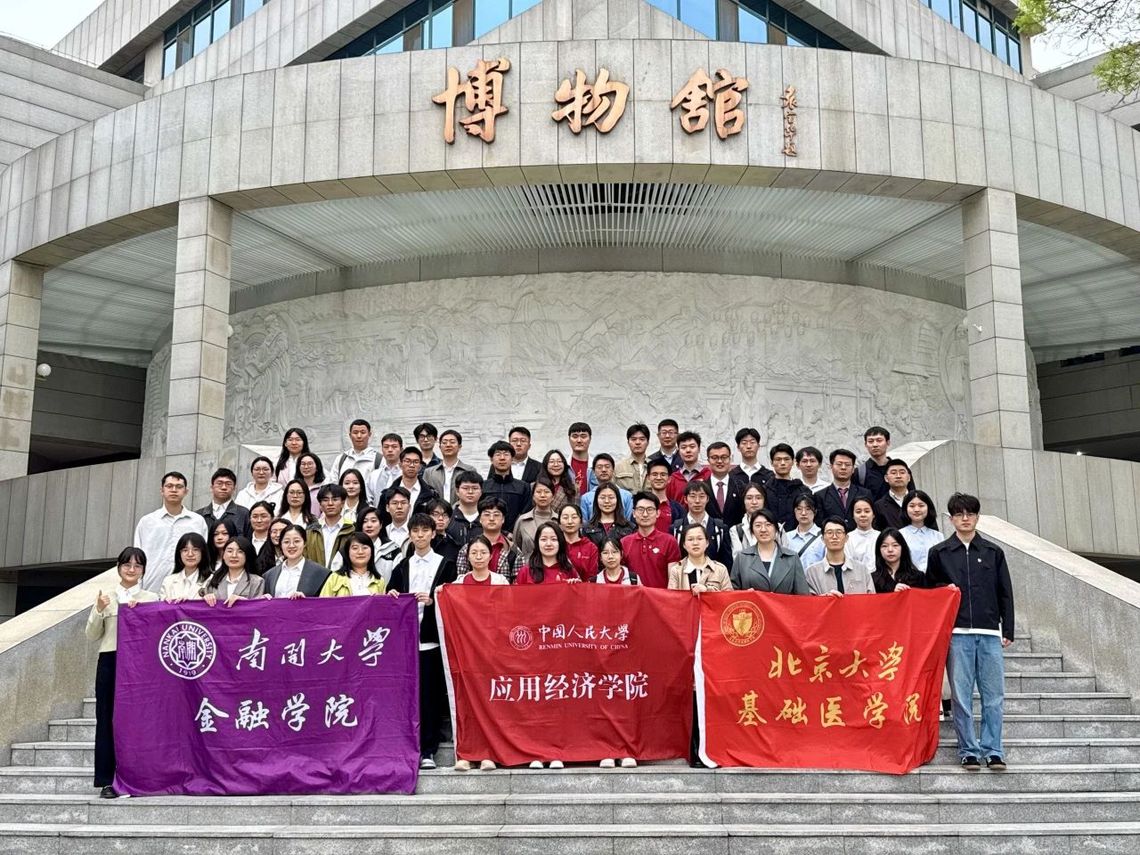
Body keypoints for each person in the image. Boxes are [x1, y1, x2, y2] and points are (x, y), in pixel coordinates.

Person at [927, 493, 1015, 771]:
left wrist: (1007, 628)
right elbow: (931, 591)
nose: (965, 519)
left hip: (989, 632)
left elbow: (1005, 592)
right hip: (957, 632)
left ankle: (993, 750)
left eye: (970, 514)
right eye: (959, 514)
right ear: (951, 519)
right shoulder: (939, 553)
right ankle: (968, 750)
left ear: (977, 517)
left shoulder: (993, 552)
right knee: (961, 697)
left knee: (993, 696)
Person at [86, 547, 159, 799]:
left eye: (137, 565)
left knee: (139, 720)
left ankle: (139, 776)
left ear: (143, 571)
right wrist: (98, 610)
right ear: (119, 567)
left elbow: (156, 634)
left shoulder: (151, 598)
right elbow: (91, 635)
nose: (131, 569)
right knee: (106, 720)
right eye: (127, 564)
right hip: (111, 660)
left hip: (140, 665)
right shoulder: (106, 597)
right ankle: (106, 780)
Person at [388, 513, 457, 770]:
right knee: (406, 698)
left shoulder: (446, 565)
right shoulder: (402, 566)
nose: (420, 535)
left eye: (424, 530)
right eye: (415, 531)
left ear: (433, 533)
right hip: (405, 644)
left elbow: (453, 600)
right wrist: (392, 595)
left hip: (432, 641)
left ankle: (428, 750)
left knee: (430, 698)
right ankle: (407, 747)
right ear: (409, 535)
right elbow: (390, 596)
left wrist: (432, 601)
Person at [133, 471, 208, 593]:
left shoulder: (197, 521)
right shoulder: (147, 522)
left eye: (179, 487)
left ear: (186, 491)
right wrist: (136, 590)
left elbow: (204, 556)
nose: (174, 490)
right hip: (150, 588)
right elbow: (137, 558)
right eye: (169, 486)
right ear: (162, 490)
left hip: (188, 591)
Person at [730, 509, 810, 594]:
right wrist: (745, 595)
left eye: (768, 525)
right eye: (758, 525)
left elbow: (802, 595)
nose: (763, 529)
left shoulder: (792, 558)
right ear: (752, 531)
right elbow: (733, 593)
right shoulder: (742, 558)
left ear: (776, 528)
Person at [620, 492, 681, 589]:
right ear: (634, 513)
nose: (645, 514)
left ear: (658, 513)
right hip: (633, 596)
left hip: (660, 597)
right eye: (640, 510)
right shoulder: (624, 542)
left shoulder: (669, 541)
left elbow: (673, 581)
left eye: (650, 510)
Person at [455, 497, 523, 581]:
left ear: (503, 519)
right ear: (480, 519)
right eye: (487, 514)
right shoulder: (467, 549)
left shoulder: (513, 551)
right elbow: (461, 581)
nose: (491, 519)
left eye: (496, 515)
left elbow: (517, 583)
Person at [804, 518, 877, 596]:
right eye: (829, 532)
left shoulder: (862, 569)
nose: (834, 537)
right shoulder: (812, 572)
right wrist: (823, 599)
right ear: (822, 539)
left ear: (846, 538)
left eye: (839, 532)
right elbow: (808, 601)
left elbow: (872, 599)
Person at [671, 481, 732, 567]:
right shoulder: (676, 529)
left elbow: (726, 561)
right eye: (693, 496)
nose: (697, 501)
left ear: (707, 499)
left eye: (702, 496)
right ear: (685, 499)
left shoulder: (719, 528)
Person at [262, 524, 330, 598]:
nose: (291, 545)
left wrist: (306, 600)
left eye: (297, 541)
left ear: (305, 543)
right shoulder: (269, 575)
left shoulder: (320, 573)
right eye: (286, 542)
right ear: (281, 544)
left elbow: (325, 602)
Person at [812, 449, 873, 531]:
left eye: (847, 464)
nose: (843, 468)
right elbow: (819, 523)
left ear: (853, 469)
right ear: (831, 467)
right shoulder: (820, 496)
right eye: (839, 464)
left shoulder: (865, 493)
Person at [668, 523, 732, 594]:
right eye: (690, 539)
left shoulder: (720, 569)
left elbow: (728, 597)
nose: (695, 543)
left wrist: (707, 590)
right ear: (684, 545)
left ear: (707, 543)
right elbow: (672, 598)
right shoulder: (676, 570)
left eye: (700, 539)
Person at [378, 447, 439, 521]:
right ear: (400, 464)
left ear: (420, 466)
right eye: (407, 461)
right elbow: (381, 520)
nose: (411, 465)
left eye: (416, 462)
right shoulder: (386, 495)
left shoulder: (432, 494)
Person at [482, 440, 532, 529]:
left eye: (506, 454)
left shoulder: (523, 487)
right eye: (498, 454)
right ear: (491, 459)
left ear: (512, 458)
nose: (502, 458)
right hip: (488, 533)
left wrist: (513, 533)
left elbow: (526, 515)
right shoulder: (483, 486)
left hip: (515, 534)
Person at [304, 484, 355, 569]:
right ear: (320, 505)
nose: (330, 503)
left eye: (335, 499)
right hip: (315, 575)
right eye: (325, 500)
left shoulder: (351, 529)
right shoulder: (310, 531)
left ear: (342, 503)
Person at [201, 537, 266, 603]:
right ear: (223, 555)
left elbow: (258, 607)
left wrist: (244, 602)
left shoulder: (257, 582)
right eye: (230, 551)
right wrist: (206, 598)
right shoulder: (214, 580)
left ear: (247, 555)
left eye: (240, 552)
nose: (234, 555)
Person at [320, 532, 386, 596]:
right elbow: (322, 602)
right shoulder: (334, 578)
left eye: (365, 548)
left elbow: (384, 603)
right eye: (355, 548)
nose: (360, 552)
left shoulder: (379, 581)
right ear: (347, 552)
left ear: (371, 552)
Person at [422, 429, 477, 504]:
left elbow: (474, 495)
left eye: (452, 442)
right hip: (435, 511)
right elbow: (424, 496)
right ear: (440, 447)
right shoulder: (429, 472)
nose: (448, 445)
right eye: (444, 442)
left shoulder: (469, 470)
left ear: (459, 446)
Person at [765, 443, 810, 532]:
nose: (782, 463)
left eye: (786, 459)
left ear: (793, 462)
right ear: (771, 462)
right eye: (778, 459)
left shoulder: (803, 491)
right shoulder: (764, 491)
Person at [703, 441, 747, 526]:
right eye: (714, 458)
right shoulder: (702, 488)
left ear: (730, 459)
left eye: (724, 457)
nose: (720, 461)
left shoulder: (741, 487)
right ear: (708, 460)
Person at [512, 477, 557, 561]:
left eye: (547, 492)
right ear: (533, 496)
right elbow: (516, 548)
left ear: (553, 496)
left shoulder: (559, 521)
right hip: (528, 566)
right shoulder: (522, 520)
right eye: (538, 492)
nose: (542, 495)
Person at [872, 528, 927, 594]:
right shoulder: (872, 579)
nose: (890, 550)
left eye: (895, 545)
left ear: (902, 548)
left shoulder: (918, 576)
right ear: (879, 550)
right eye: (884, 546)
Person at [579, 454, 634, 519]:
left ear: (613, 470)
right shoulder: (586, 498)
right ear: (593, 471)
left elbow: (628, 520)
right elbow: (585, 522)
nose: (603, 470)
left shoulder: (626, 496)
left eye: (607, 467)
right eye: (599, 467)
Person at [899, 489, 942, 572]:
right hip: (909, 578)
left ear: (928, 508)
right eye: (912, 506)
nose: (916, 509)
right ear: (905, 509)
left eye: (921, 505)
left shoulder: (938, 536)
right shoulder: (900, 535)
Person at [159, 532, 210, 601]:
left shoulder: (211, 580)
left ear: (203, 553)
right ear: (179, 554)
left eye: (195, 550)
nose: (190, 554)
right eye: (185, 550)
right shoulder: (168, 581)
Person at [665, 431, 710, 505]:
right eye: (683, 447)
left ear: (699, 449)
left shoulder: (708, 475)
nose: (688, 450)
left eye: (692, 447)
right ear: (678, 451)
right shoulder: (672, 479)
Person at [782, 493, 826, 568]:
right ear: (794, 511)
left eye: (808, 509)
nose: (803, 513)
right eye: (799, 509)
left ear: (815, 511)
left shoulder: (823, 537)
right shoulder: (786, 537)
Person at [558, 503, 600, 581]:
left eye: (574, 517)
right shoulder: (555, 545)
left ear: (581, 522)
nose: (570, 521)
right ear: (559, 523)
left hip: (583, 588)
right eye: (565, 517)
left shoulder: (591, 548)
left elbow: (592, 577)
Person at [873, 458, 915, 531]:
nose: (898, 476)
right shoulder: (879, 506)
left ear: (909, 477)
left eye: (902, 472)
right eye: (893, 473)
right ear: (886, 478)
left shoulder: (920, 501)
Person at [365, 432, 405, 505]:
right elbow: (369, 499)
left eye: (394, 447)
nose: (390, 450)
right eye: (386, 447)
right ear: (382, 450)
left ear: (401, 450)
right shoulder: (374, 475)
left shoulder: (406, 474)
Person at [856, 426, 893, 500]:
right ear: (865, 445)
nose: (875, 445)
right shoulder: (859, 473)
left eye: (879, 440)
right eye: (870, 441)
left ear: (888, 442)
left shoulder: (900, 469)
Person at [729, 483, 766, 557]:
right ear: (743, 501)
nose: (754, 502)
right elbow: (738, 559)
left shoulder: (776, 527)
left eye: (758, 498)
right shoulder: (736, 530)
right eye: (749, 498)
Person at [645, 458, 682, 532]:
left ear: (669, 479)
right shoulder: (639, 507)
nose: (659, 478)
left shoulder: (678, 509)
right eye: (655, 474)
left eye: (663, 474)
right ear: (648, 478)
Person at [613, 423, 651, 492]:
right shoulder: (618, 468)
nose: (637, 442)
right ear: (628, 442)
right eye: (633, 439)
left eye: (642, 439)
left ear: (648, 442)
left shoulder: (654, 466)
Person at [844, 497, 879, 570]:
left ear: (873, 514)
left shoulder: (881, 536)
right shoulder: (847, 539)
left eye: (867, 511)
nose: (863, 515)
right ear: (853, 516)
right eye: (858, 512)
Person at [449, 470, 484, 542]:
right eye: (465, 488)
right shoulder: (449, 518)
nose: (470, 492)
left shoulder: (487, 518)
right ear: (457, 491)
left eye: (475, 488)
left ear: (481, 491)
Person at [426, 499, 463, 565]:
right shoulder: (422, 542)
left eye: (445, 515)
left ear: (449, 520)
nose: (440, 518)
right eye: (436, 514)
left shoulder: (455, 546)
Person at [541, 449, 579, 514]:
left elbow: (575, 512)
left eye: (559, 461)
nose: (556, 464)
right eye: (552, 462)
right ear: (546, 465)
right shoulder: (534, 486)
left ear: (564, 464)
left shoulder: (574, 488)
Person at [567, 421, 597, 497]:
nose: (579, 440)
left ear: (590, 439)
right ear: (569, 439)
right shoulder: (563, 466)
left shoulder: (596, 467)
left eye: (583, 436)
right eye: (575, 436)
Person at [248, 501, 277, 574]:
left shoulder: (276, 541)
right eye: (255, 516)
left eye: (263, 516)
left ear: (272, 518)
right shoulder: (244, 541)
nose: (259, 520)